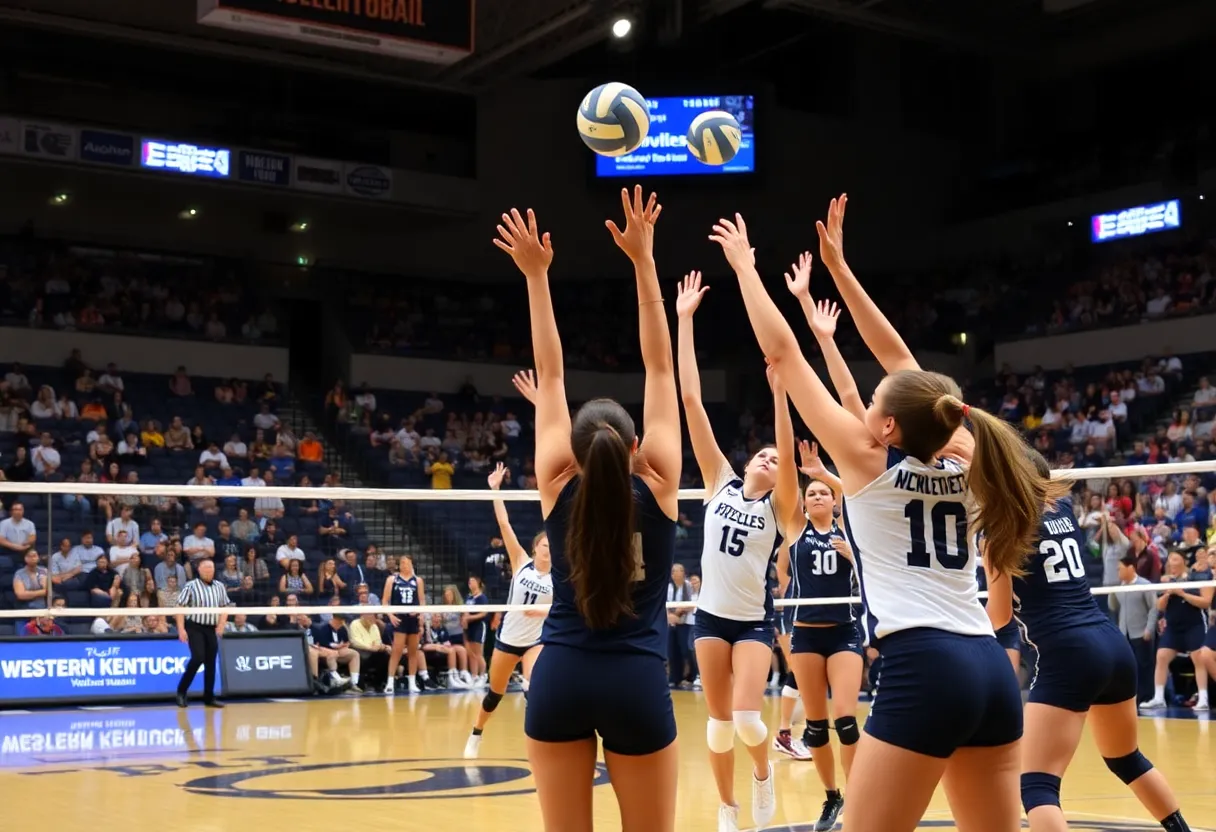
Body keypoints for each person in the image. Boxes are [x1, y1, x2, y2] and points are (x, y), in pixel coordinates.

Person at [711, 195, 1048, 832]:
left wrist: (745, 269)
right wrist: (840, 269)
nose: (863, 403)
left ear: (889, 425)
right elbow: (906, 367)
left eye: (872, 402)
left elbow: (784, 357)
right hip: (991, 665)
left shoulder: (870, 463)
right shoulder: (972, 454)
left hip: (926, 666)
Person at [497, 188, 681, 831]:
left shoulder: (555, 480)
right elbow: (661, 368)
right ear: (636, 447)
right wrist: (643, 260)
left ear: (572, 453)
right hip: (637, 681)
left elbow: (549, 377)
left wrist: (537, 277)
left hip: (561, 677)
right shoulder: (658, 482)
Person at [985, 450, 1195, 832]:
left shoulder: (1000, 532)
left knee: (1037, 786)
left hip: (1068, 652)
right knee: (1126, 758)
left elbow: (999, 618)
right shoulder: (1063, 509)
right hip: (1111, 642)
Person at [676, 269, 796, 832]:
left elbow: (791, 462)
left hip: (751, 622)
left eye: (777, 459)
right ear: (748, 461)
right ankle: (727, 808)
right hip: (708, 619)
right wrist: (683, 321)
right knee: (717, 727)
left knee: (749, 721)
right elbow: (692, 401)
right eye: (764, 455)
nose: (770, 460)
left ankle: (763, 775)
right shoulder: (719, 480)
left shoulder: (781, 509)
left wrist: (779, 396)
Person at [777, 440, 862, 831]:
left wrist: (823, 473)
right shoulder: (796, 529)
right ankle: (832, 797)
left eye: (822, 493)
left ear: (832, 501)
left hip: (844, 632)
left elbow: (851, 490)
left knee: (845, 720)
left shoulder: (847, 530)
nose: (816, 496)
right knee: (814, 726)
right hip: (806, 636)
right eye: (811, 494)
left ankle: (860, 794)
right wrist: (803, 475)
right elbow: (788, 491)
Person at [464, 460, 553, 759]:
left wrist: (541, 613)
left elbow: (565, 609)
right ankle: (476, 733)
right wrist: (495, 490)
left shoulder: (561, 577)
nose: (548, 548)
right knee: (494, 695)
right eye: (544, 545)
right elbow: (504, 525)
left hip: (535, 642)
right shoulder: (521, 563)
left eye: (552, 545)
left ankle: (541, 742)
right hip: (507, 640)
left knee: (535, 687)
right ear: (535, 548)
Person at [1141, 550, 1212, 711]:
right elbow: (1158, 606)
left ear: (1183, 562)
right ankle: (1158, 698)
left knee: (1198, 658)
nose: (1171, 563)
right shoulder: (1167, 582)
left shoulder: (1196, 578)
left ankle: (1203, 699)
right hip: (1173, 628)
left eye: (1175, 559)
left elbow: (1204, 603)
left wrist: (1182, 593)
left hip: (1194, 625)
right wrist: (1167, 594)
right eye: (1170, 561)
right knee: (1161, 656)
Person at [174, 558, 231, 708]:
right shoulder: (191, 586)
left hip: (211, 628)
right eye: (205, 569)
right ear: (199, 570)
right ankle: (181, 692)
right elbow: (180, 607)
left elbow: (225, 607)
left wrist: (221, 625)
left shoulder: (219, 586)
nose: (208, 571)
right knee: (198, 658)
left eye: (211, 569)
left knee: (211, 662)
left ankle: (209, 697)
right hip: (195, 626)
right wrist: (181, 629)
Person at [382, 555, 430, 695]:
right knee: (397, 650)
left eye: (407, 562)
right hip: (399, 618)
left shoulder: (418, 580)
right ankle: (390, 682)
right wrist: (390, 615)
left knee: (413, 652)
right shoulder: (392, 580)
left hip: (413, 619)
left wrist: (420, 613)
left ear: (412, 565)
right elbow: (385, 601)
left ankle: (412, 682)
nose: (404, 565)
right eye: (402, 562)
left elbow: (422, 601)